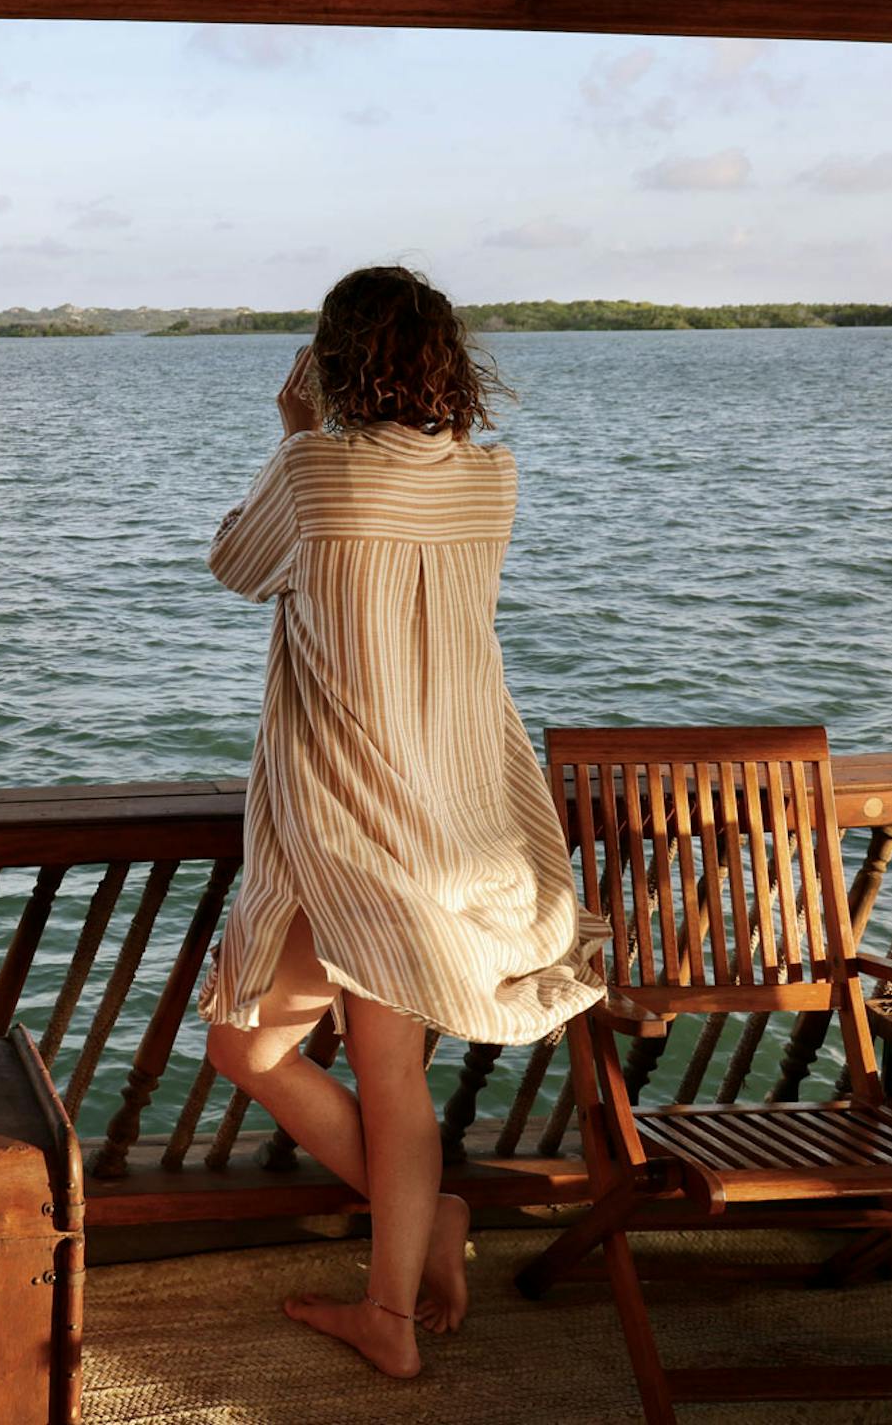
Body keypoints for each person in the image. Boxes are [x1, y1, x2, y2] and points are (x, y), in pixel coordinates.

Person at [195, 265, 604, 1379]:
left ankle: (390, 1305)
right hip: (455, 810)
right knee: (340, 1066)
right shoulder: (491, 480)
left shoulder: (312, 468)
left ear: (332, 365)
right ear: (446, 364)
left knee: (256, 1048)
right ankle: (425, 1230)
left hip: (348, 814)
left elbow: (234, 565)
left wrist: (289, 433)